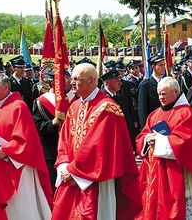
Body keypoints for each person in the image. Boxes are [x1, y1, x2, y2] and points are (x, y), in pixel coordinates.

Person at [52, 63, 142, 220]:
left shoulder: (107, 108)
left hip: (97, 178)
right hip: (72, 175)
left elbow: (97, 146)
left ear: (92, 80)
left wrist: (74, 170)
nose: (71, 83)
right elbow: (64, 140)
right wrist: (64, 165)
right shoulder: (74, 106)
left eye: (76, 79)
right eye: (71, 78)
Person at [136, 77, 192, 219]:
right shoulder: (154, 114)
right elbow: (142, 136)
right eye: (159, 94)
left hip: (178, 173)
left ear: (175, 92)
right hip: (156, 172)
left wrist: (159, 140)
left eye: (164, 94)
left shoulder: (186, 113)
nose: (161, 97)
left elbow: (185, 143)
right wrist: (146, 139)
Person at [0, 73, 53, 219]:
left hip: (18, 166)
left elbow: (26, 139)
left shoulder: (18, 106)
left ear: (6, 87)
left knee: (20, 207)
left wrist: (6, 150)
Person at [32, 71, 61, 193]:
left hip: (68, 148)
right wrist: (52, 123)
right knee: (53, 184)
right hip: (50, 149)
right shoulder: (40, 102)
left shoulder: (71, 99)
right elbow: (37, 127)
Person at [100, 69, 140, 154]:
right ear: (107, 82)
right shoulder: (102, 99)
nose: (120, 83)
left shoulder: (120, 98)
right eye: (116, 81)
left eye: (120, 80)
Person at [137, 53, 166, 129]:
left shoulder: (166, 82)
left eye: (164, 65)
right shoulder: (145, 85)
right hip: (153, 123)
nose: (163, 67)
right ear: (153, 67)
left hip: (166, 121)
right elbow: (142, 110)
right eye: (160, 65)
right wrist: (145, 129)